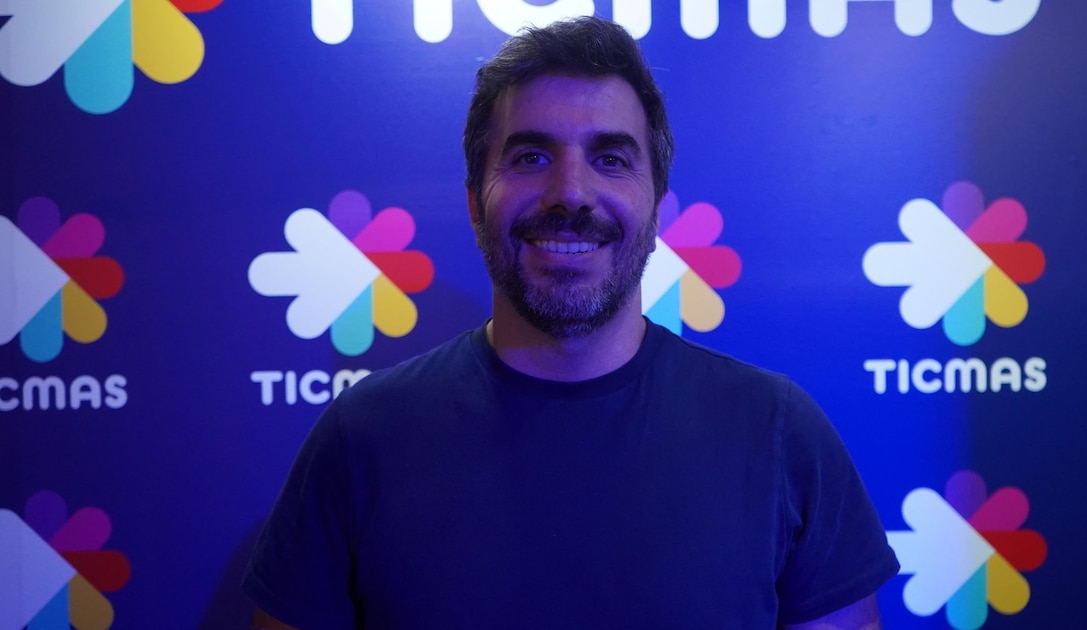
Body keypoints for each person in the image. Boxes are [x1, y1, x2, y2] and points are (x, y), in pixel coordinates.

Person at [244, 16, 898, 629]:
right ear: (475, 203)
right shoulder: (361, 438)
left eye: (610, 159)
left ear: (656, 207)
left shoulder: (777, 432)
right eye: (531, 157)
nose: (571, 194)